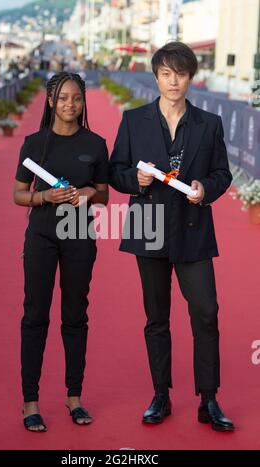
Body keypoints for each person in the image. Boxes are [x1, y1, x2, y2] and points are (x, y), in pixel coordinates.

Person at [109, 42, 234, 432]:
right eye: (166, 73)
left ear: (191, 77)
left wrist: (204, 188)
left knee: (206, 314)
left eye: (180, 73)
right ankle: (160, 394)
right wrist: (136, 179)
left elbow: (222, 174)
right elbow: (116, 171)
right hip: (149, 228)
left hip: (193, 230)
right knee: (156, 318)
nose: (173, 80)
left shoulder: (208, 123)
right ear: (156, 76)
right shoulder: (133, 120)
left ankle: (208, 399)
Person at [14, 72, 109, 431]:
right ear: (51, 101)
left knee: (75, 315)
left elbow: (103, 194)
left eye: (77, 98)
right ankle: (30, 401)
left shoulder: (96, 144)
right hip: (41, 237)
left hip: (80, 237)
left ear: (84, 102)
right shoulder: (34, 144)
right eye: (64, 98)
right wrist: (45, 197)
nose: (71, 104)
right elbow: (19, 194)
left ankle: (74, 397)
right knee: (35, 315)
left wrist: (86, 193)